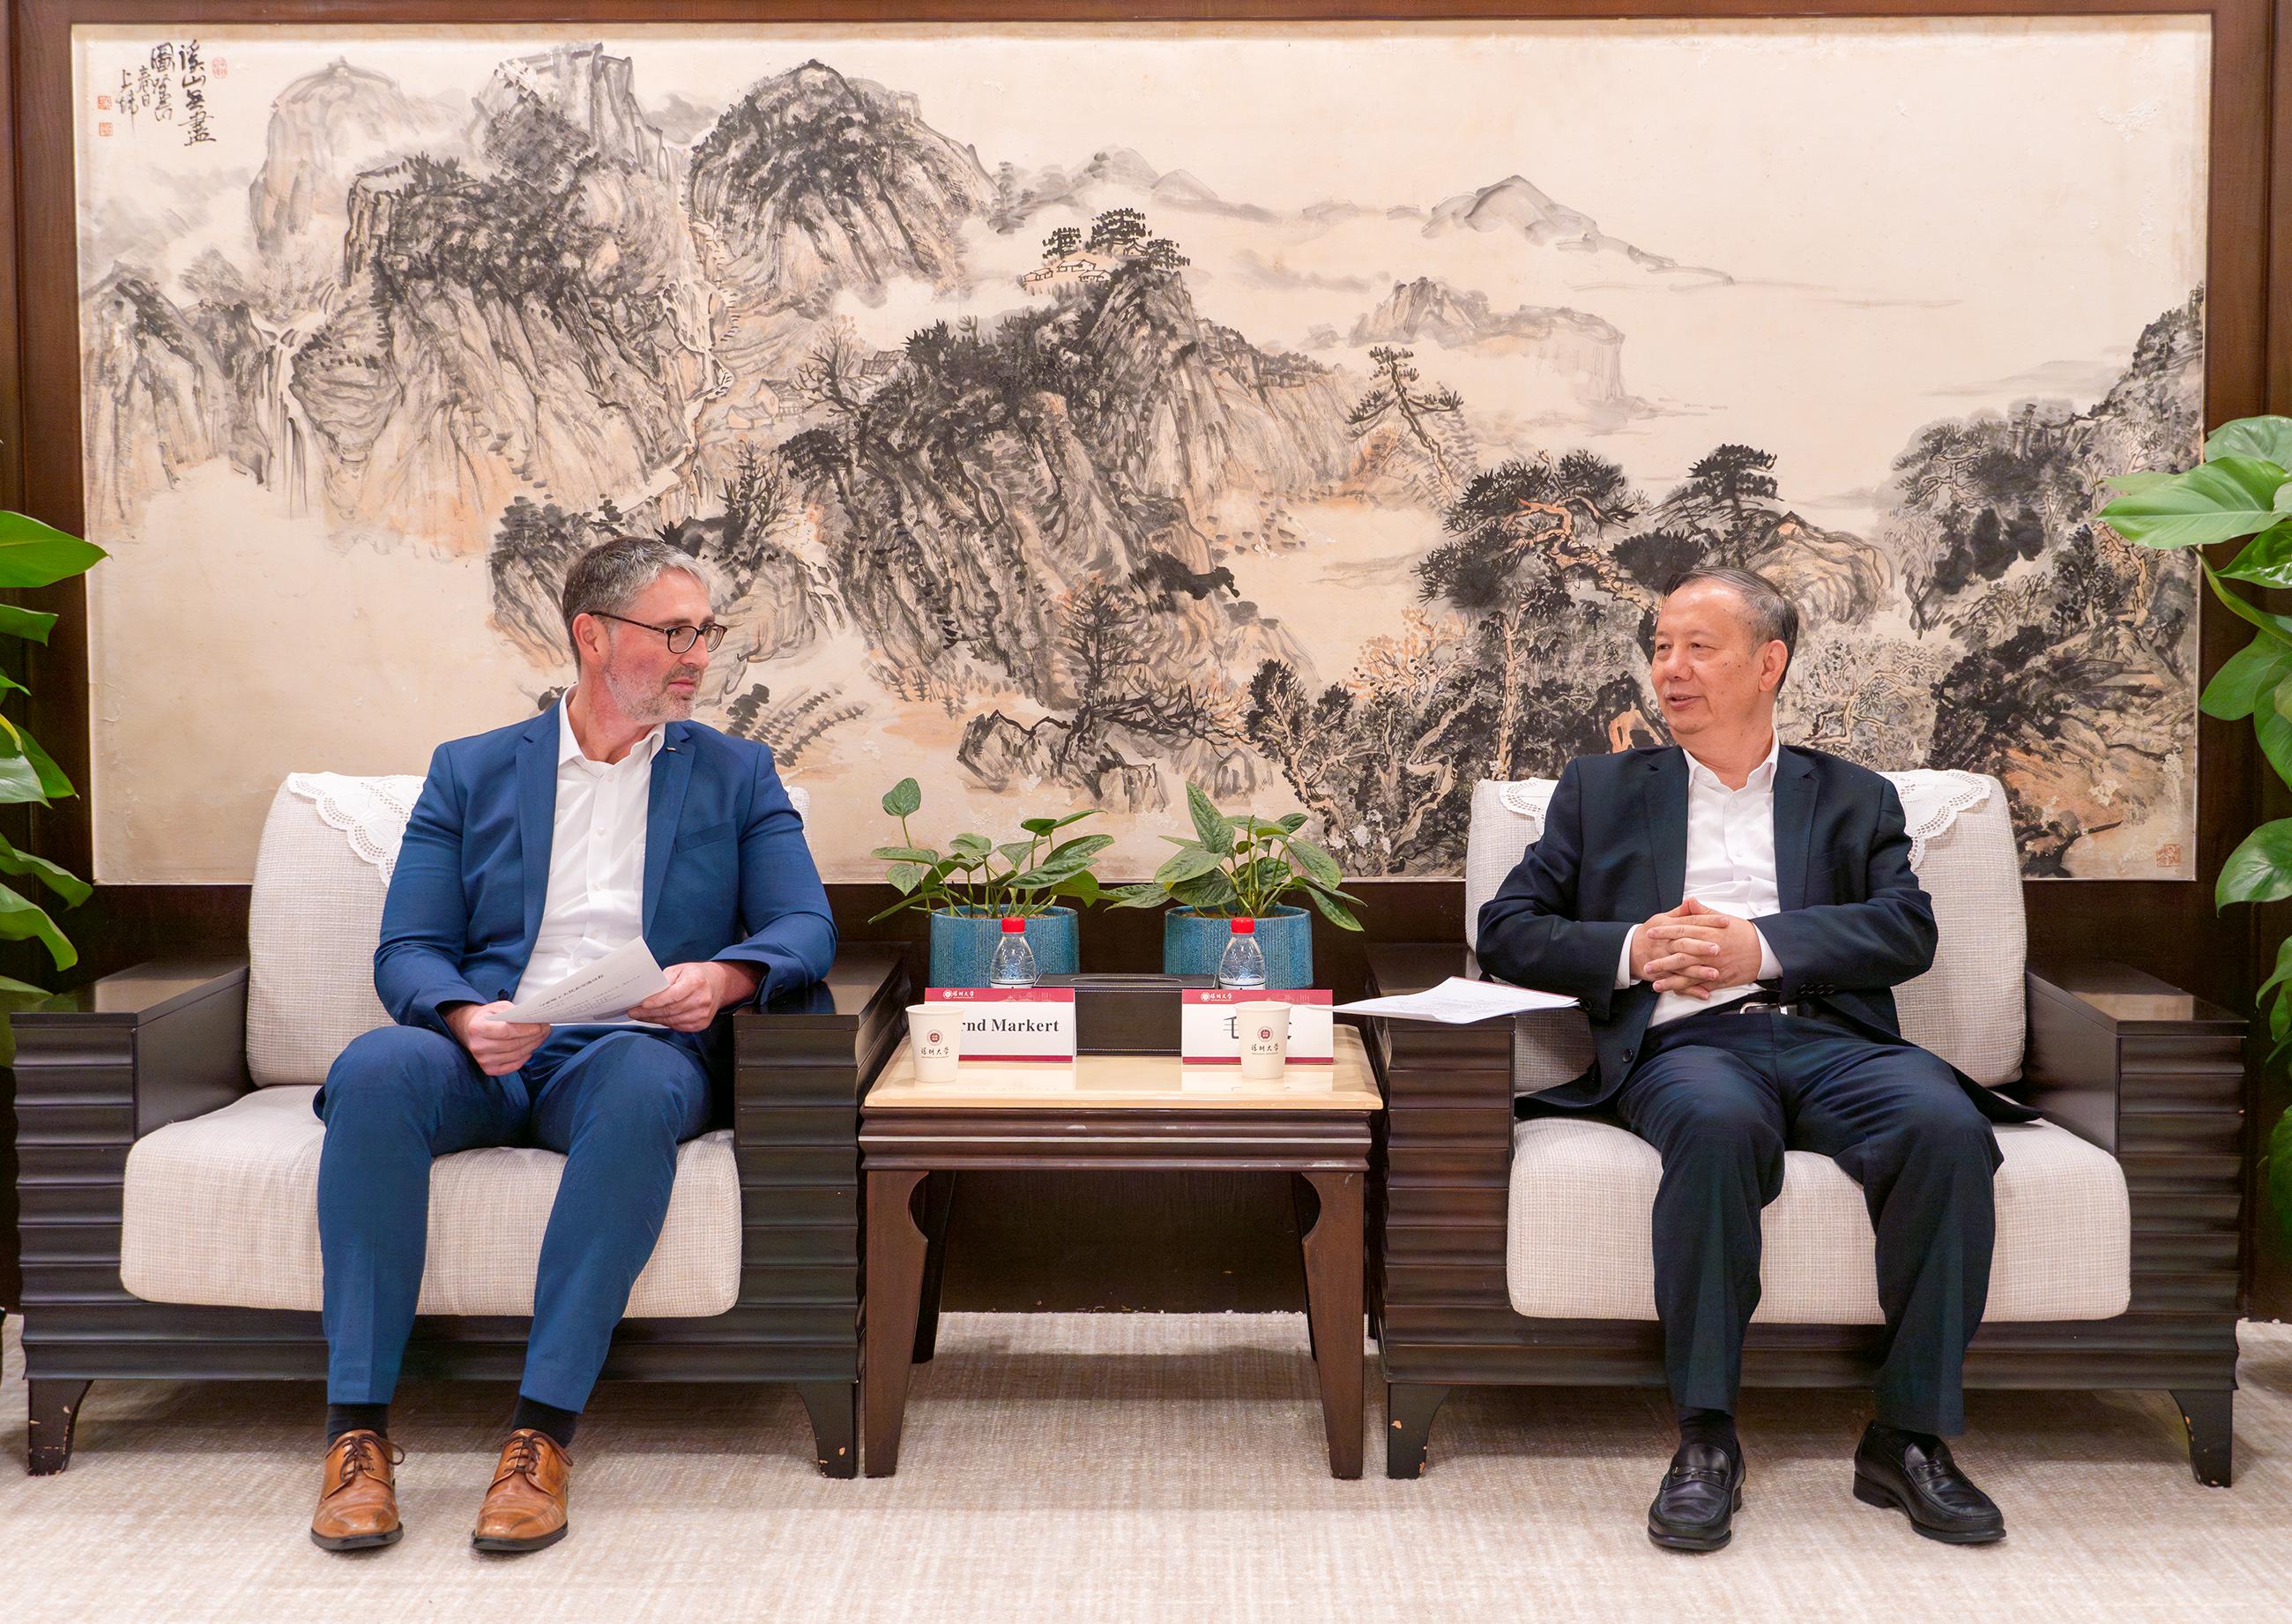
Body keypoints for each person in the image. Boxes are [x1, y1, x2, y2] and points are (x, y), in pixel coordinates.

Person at [1477, 566, 2034, 1553]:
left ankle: (1907, 1438)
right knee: (1715, 1126)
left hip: (1834, 1039)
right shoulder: (1600, 791)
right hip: (1688, 1042)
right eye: (1660, 648)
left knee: (1944, 1128)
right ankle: (1704, 1438)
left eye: (1698, 648)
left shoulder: (1853, 796)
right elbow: (1507, 926)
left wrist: (1761, 947)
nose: (1670, 669)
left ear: (1768, 662)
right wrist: (1633, 948)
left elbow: (1904, 930)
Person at [307, 537, 837, 1554]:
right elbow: (408, 947)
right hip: (489, 1048)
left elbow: (804, 927)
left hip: (628, 1050)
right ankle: (355, 1438)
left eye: (704, 633)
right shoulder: (470, 771)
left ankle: (539, 1438)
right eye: (672, 633)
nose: (697, 656)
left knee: (639, 1083)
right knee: (374, 1068)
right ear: (591, 636)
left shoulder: (735, 773)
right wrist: (465, 1018)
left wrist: (723, 977)